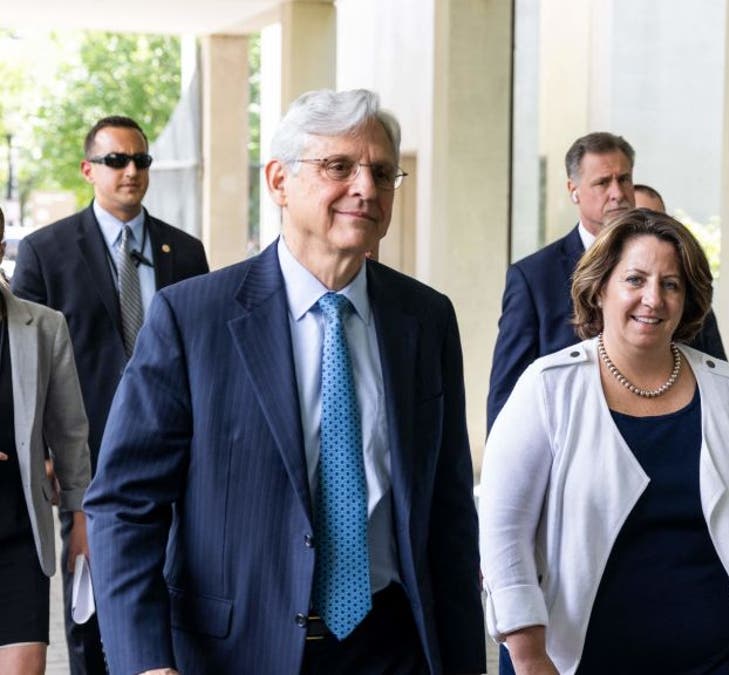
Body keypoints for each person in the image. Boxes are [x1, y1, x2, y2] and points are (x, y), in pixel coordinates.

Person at [84, 89, 485, 674]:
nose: (365, 188)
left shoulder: (425, 319)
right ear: (278, 181)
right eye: (338, 167)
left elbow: (448, 512)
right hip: (237, 652)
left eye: (380, 171)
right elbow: (125, 505)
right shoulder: (192, 318)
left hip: (393, 644)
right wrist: (146, 662)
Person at [481, 208, 729, 675]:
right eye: (635, 279)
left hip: (721, 659)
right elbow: (503, 534)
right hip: (588, 660)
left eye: (670, 284)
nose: (653, 298)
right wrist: (529, 657)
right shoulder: (548, 387)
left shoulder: (726, 388)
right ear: (600, 287)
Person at [11, 115, 209, 674]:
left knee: (178, 597)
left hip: (179, 459)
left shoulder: (186, 252)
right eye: (117, 161)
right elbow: (29, 369)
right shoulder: (48, 251)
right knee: (91, 613)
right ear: (88, 169)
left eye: (140, 160)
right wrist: (50, 461)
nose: (131, 172)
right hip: (89, 464)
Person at [487, 132, 725, 431]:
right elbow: (507, 397)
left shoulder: (675, 263)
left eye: (624, 179)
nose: (617, 192)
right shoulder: (533, 278)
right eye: (602, 182)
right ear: (573, 190)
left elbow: (714, 367)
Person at [0, 206, 91, 675]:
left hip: (18, 529)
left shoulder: (44, 326)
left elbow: (70, 431)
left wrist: (80, 518)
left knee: (25, 667)